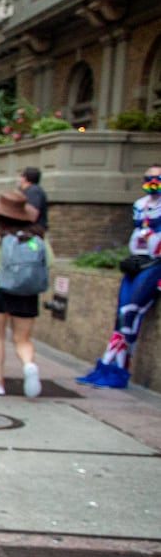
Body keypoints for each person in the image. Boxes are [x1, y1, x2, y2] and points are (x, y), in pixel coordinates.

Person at [76, 165, 161, 389]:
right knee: (121, 316)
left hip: (155, 265)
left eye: (157, 178)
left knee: (130, 313)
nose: (153, 183)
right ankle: (108, 368)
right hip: (137, 262)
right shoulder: (140, 205)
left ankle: (115, 369)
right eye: (149, 178)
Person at [0, 189, 53, 397]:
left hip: (0, 289)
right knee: (23, 338)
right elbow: (50, 261)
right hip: (27, 292)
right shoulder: (37, 235)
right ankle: (29, 365)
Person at [18, 165, 48, 231]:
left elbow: (32, 212)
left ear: (25, 178)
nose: (20, 179)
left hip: (33, 232)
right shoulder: (30, 190)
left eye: (21, 176)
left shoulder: (33, 191)